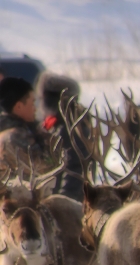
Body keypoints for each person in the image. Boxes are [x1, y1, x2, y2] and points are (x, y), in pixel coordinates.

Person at [36, 72, 83, 201]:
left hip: (67, 204)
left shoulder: (70, 128)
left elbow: (75, 169)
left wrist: (63, 201)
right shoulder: (55, 124)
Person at [0, 76, 48, 176]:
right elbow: (42, 170)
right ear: (19, 106)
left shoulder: (6, 129)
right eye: (33, 103)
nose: (35, 109)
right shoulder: (16, 136)